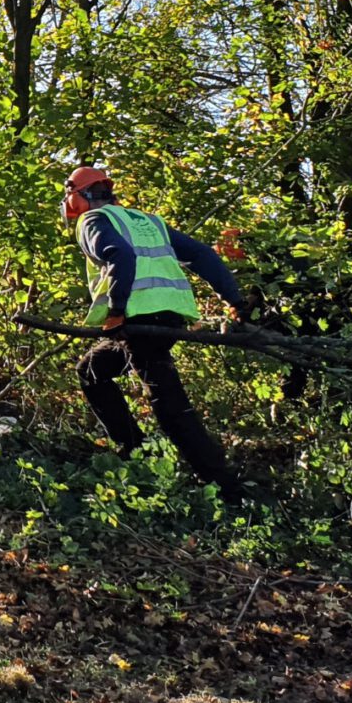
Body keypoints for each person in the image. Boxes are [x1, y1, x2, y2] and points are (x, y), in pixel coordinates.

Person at [62, 164, 256, 499]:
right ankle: (135, 449)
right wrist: (234, 300)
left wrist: (117, 311)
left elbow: (120, 255)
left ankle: (222, 484)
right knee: (93, 370)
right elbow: (201, 254)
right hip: (168, 317)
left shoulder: (92, 220)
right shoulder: (146, 221)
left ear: (76, 197)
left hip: (139, 319)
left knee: (168, 401)